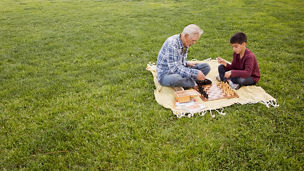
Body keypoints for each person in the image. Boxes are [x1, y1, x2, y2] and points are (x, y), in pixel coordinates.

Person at [156, 24, 210, 89]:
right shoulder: (172, 43)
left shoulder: (185, 42)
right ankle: (192, 83)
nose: (194, 43)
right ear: (186, 36)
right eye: (193, 40)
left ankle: (187, 82)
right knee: (176, 78)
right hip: (166, 74)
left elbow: (178, 61)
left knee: (205, 67)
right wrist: (195, 73)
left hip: (179, 68)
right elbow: (174, 69)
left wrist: (187, 63)